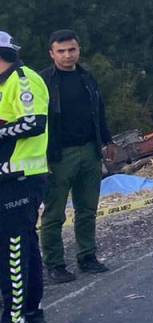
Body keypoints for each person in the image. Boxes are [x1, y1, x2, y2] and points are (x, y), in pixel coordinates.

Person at [38, 30, 112, 284]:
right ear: (52, 53)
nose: (68, 55)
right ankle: (55, 264)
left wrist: (107, 140)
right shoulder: (43, 82)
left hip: (90, 151)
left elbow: (99, 110)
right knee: (54, 214)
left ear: (79, 50)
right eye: (62, 51)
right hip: (59, 156)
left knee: (87, 209)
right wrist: (44, 157)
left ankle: (87, 256)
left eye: (72, 50)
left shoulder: (87, 77)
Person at [0, 31, 49, 323]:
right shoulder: (5, 84)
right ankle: (31, 310)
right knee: (25, 244)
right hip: (11, 176)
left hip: (22, 175)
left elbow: (34, 122)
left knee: (13, 250)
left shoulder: (22, 79)